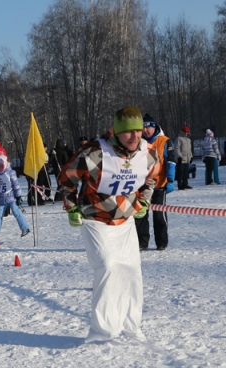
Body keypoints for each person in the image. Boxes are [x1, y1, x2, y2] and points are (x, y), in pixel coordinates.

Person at [57, 106, 160, 343]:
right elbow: (66, 180)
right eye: (128, 132)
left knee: (132, 271)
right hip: (96, 220)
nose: (135, 137)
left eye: (138, 131)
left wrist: (144, 199)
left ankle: (132, 327)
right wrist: (71, 206)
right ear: (114, 131)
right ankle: (101, 332)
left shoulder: (148, 153)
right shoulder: (94, 154)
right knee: (109, 266)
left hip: (125, 221)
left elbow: (152, 178)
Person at [136, 113, 175, 251]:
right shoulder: (138, 142)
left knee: (159, 215)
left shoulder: (164, 141)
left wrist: (170, 180)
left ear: (154, 127)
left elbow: (171, 161)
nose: (146, 130)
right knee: (140, 214)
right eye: (143, 127)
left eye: (149, 127)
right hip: (142, 185)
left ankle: (161, 242)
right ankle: (142, 242)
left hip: (159, 184)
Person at [0, 155, 30, 240]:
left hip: (11, 197)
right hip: (1, 198)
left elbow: (16, 185)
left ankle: (25, 228)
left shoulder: (10, 172)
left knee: (16, 212)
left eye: (1, 164)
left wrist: (18, 196)